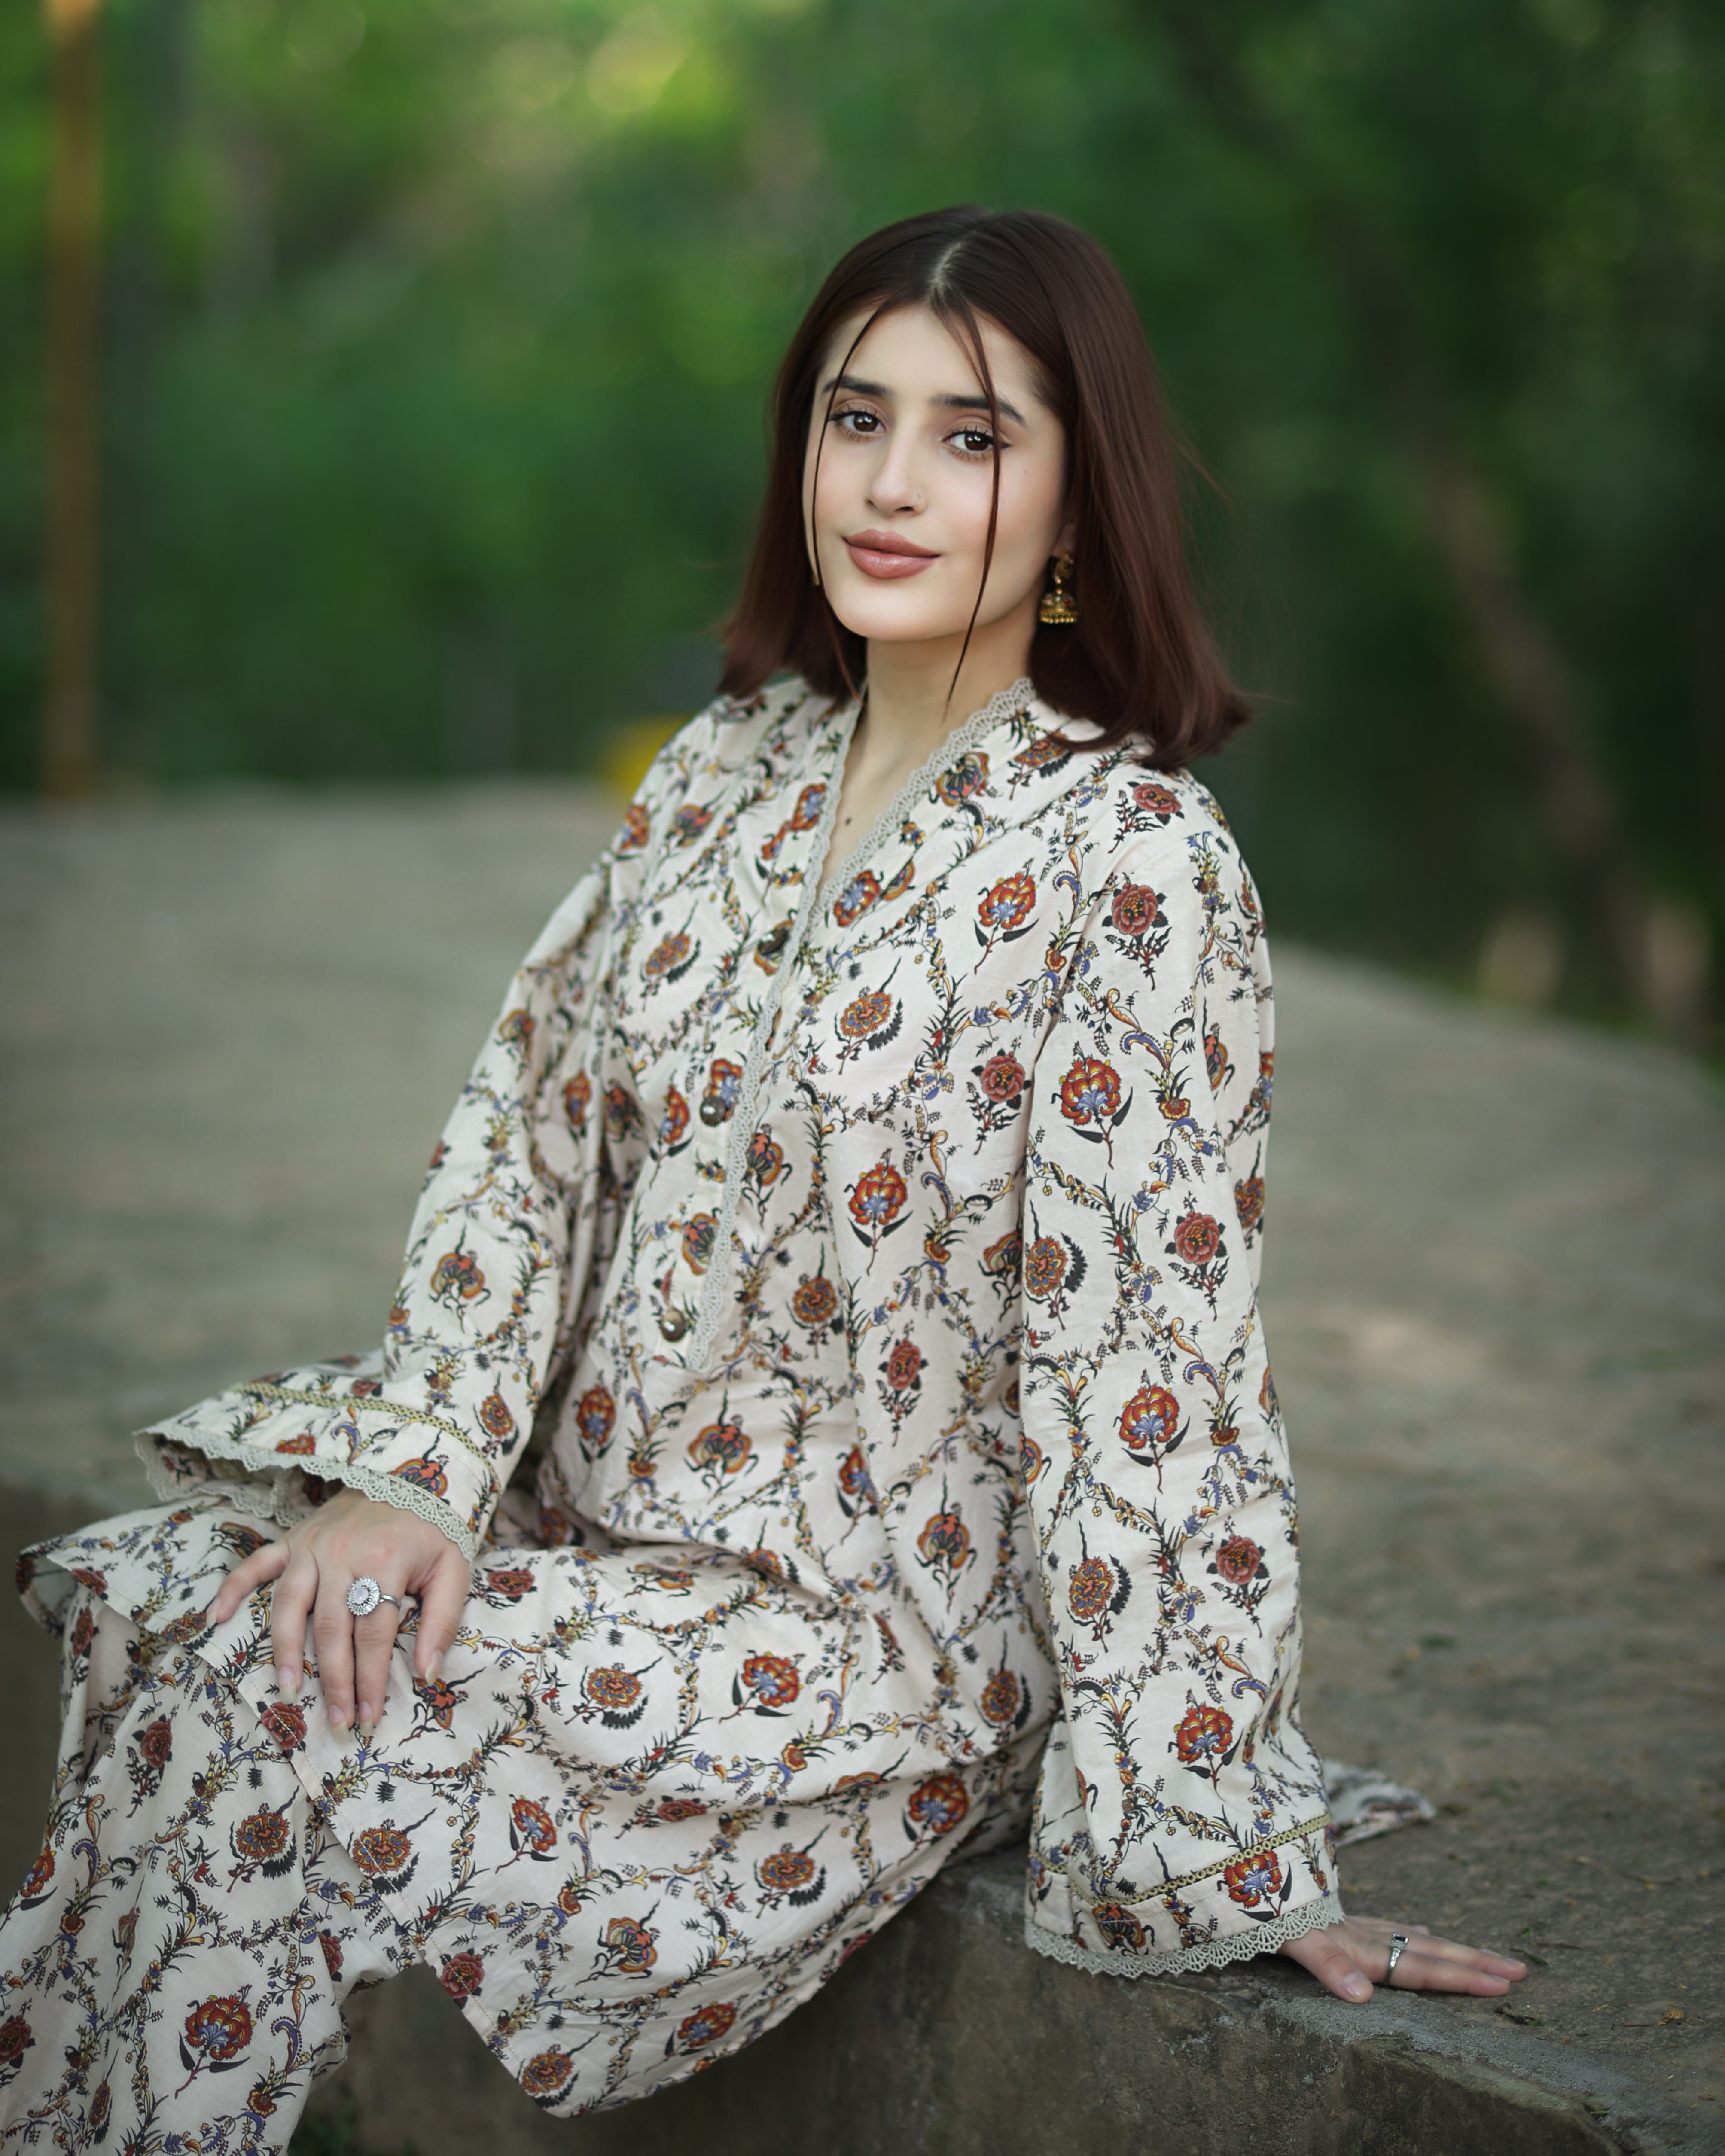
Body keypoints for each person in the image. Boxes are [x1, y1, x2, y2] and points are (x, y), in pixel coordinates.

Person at [0, 206, 1525, 2148]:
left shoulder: (1130, 867)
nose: (889, 484)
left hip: (874, 1645)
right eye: (853, 418)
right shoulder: (727, 772)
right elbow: (533, 1147)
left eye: (973, 437)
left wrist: (1212, 1838)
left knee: (272, 1696)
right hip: (612, 1536)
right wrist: (421, 1475)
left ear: (1079, 501)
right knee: (190, 1601)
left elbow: (1155, 1377)